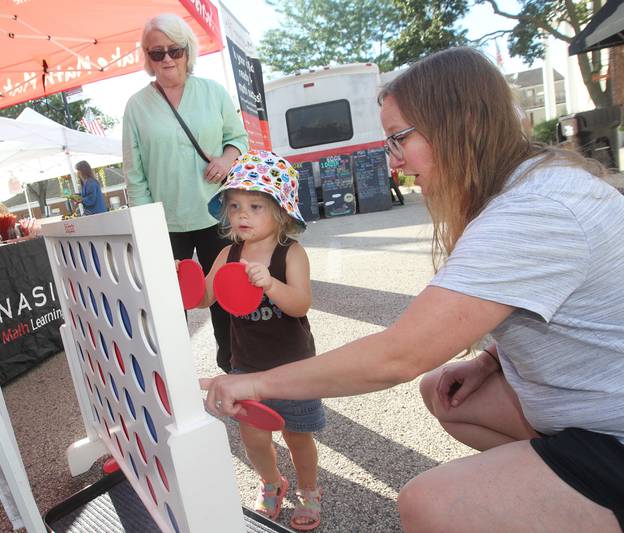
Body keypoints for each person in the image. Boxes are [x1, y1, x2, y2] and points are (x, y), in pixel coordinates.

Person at [203, 47, 624, 532]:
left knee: (427, 503)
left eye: (399, 139)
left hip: (611, 432)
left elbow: (397, 356)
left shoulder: (534, 212)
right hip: (594, 411)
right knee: (445, 396)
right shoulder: (533, 184)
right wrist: (489, 360)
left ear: (462, 123)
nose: (394, 162)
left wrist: (253, 382)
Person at [192, 150, 323, 530]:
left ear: (280, 211)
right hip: (245, 365)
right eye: (234, 206)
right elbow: (204, 297)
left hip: (294, 367)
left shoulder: (290, 253)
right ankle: (271, 483)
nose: (242, 214)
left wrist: (270, 283)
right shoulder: (227, 253)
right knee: (253, 438)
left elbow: (300, 305)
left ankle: (309, 490)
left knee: (298, 437)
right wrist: (182, 280)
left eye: (255, 206)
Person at [123, 13, 248, 373]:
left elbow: (237, 139)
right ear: (147, 57)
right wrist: (149, 228)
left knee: (224, 298)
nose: (166, 59)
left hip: (215, 216)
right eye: (156, 52)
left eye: (174, 50)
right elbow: (135, 175)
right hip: (166, 225)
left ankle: (235, 368)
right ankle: (175, 377)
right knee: (168, 306)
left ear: (187, 51)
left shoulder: (213, 92)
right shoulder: (136, 106)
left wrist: (226, 160)